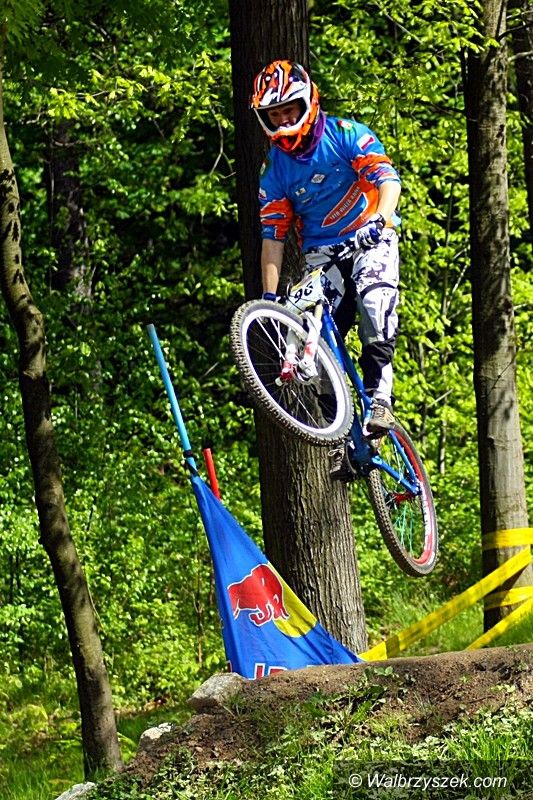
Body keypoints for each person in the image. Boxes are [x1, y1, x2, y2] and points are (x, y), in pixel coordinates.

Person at [250, 59, 402, 481]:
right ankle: (344, 434)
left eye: (289, 110)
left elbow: (388, 180)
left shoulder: (347, 134)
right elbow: (272, 238)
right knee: (308, 343)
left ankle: (380, 400)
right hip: (322, 254)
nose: (283, 121)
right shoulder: (273, 171)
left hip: (370, 234)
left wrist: (382, 220)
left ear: (308, 103)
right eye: (274, 115)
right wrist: (270, 300)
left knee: (373, 301)